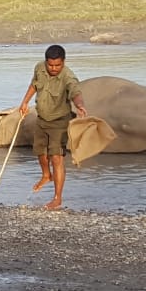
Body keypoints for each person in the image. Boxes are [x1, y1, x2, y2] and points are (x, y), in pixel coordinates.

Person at [17, 44, 87, 210]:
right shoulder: (39, 68)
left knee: (56, 157)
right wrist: (25, 102)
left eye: (58, 65)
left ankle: (57, 198)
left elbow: (76, 92)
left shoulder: (68, 77)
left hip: (60, 121)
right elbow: (34, 85)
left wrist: (80, 105)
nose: (54, 68)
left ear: (63, 62)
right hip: (42, 118)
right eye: (51, 65)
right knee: (40, 152)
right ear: (46, 61)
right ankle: (46, 175)